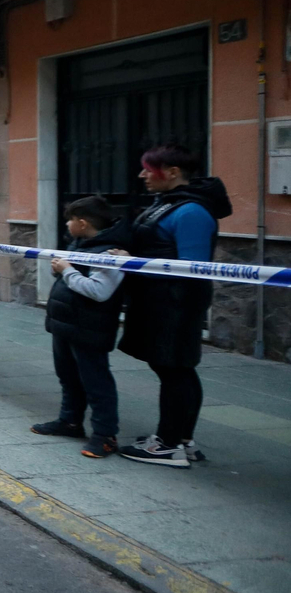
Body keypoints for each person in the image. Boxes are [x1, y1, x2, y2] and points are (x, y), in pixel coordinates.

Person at [118, 144, 232, 467]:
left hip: (176, 304)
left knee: (175, 371)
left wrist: (134, 261)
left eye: (148, 169)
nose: (142, 175)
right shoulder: (170, 204)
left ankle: (168, 445)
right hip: (158, 300)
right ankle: (180, 439)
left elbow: (191, 267)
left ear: (172, 173)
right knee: (173, 369)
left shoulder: (192, 212)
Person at [30, 196, 129, 459]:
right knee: (68, 377)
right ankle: (70, 421)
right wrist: (63, 270)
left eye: (70, 220)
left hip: (90, 327)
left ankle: (105, 435)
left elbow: (99, 291)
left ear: (82, 223)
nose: (67, 224)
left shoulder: (109, 253)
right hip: (67, 324)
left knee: (96, 382)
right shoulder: (81, 243)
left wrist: (66, 271)